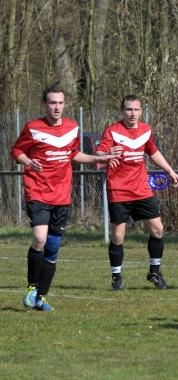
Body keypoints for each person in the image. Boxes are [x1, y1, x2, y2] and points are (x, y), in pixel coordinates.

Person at [11, 83, 122, 311]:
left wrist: (101, 158)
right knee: (40, 239)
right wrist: (28, 161)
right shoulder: (33, 127)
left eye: (61, 103)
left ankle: (41, 298)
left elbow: (74, 154)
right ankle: (32, 288)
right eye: (52, 102)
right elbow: (16, 151)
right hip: (38, 190)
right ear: (44, 104)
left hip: (62, 195)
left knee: (52, 247)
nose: (57, 107)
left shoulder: (73, 127)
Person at [96, 94, 178, 291]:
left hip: (141, 189)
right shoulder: (112, 131)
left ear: (141, 111)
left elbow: (153, 152)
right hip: (118, 189)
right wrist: (106, 156)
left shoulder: (146, 130)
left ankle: (154, 273)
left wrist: (170, 171)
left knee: (157, 229)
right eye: (128, 109)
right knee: (118, 235)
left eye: (136, 109)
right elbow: (99, 153)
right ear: (121, 111)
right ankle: (116, 277)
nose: (132, 113)